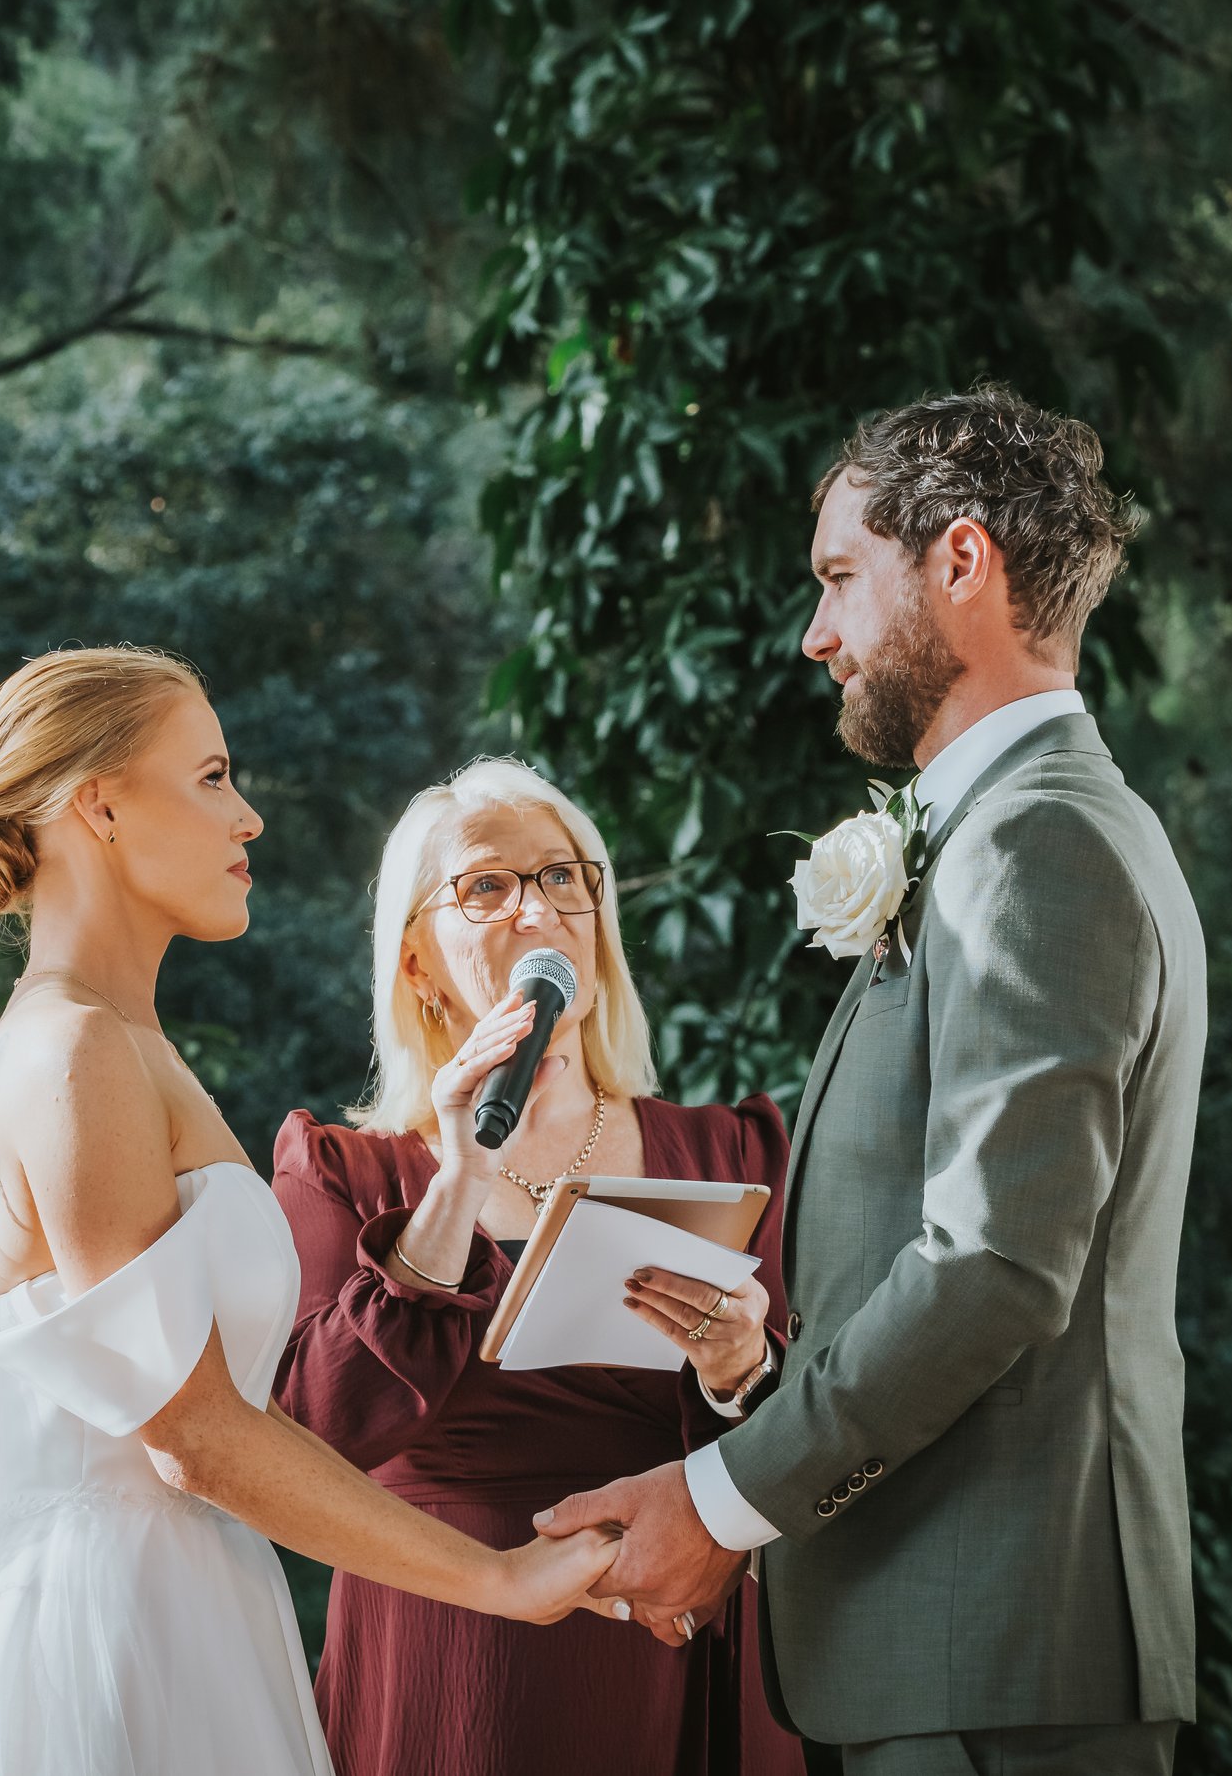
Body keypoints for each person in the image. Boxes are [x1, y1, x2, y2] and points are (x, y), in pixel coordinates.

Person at [0, 649, 620, 1776]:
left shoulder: (125, 1045)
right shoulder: (73, 1051)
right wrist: (498, 1581)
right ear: (100, 805)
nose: (252, 817)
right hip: (103, 1631)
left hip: (190, 1601)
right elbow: (189, 1432)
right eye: (213, 776)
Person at [537, 388, 1208, 1776]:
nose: (817, 634)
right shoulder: (1008, 835)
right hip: (948, 1648)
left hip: (996, 1661)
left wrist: (723, 1503)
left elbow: (995, 1267)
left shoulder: (1037, 847)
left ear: (961, 563)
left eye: (842, 579)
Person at [273, 757, 805, 1776]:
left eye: (564, 878)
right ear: (417, 962)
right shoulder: (341, 1172)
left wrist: (741, 1369)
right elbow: (308, 1439)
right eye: (486, 886)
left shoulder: (737, 1151)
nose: (540, 911)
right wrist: (457, 1178)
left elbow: (815, 1432)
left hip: (675, 1649)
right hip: (446, 1665)